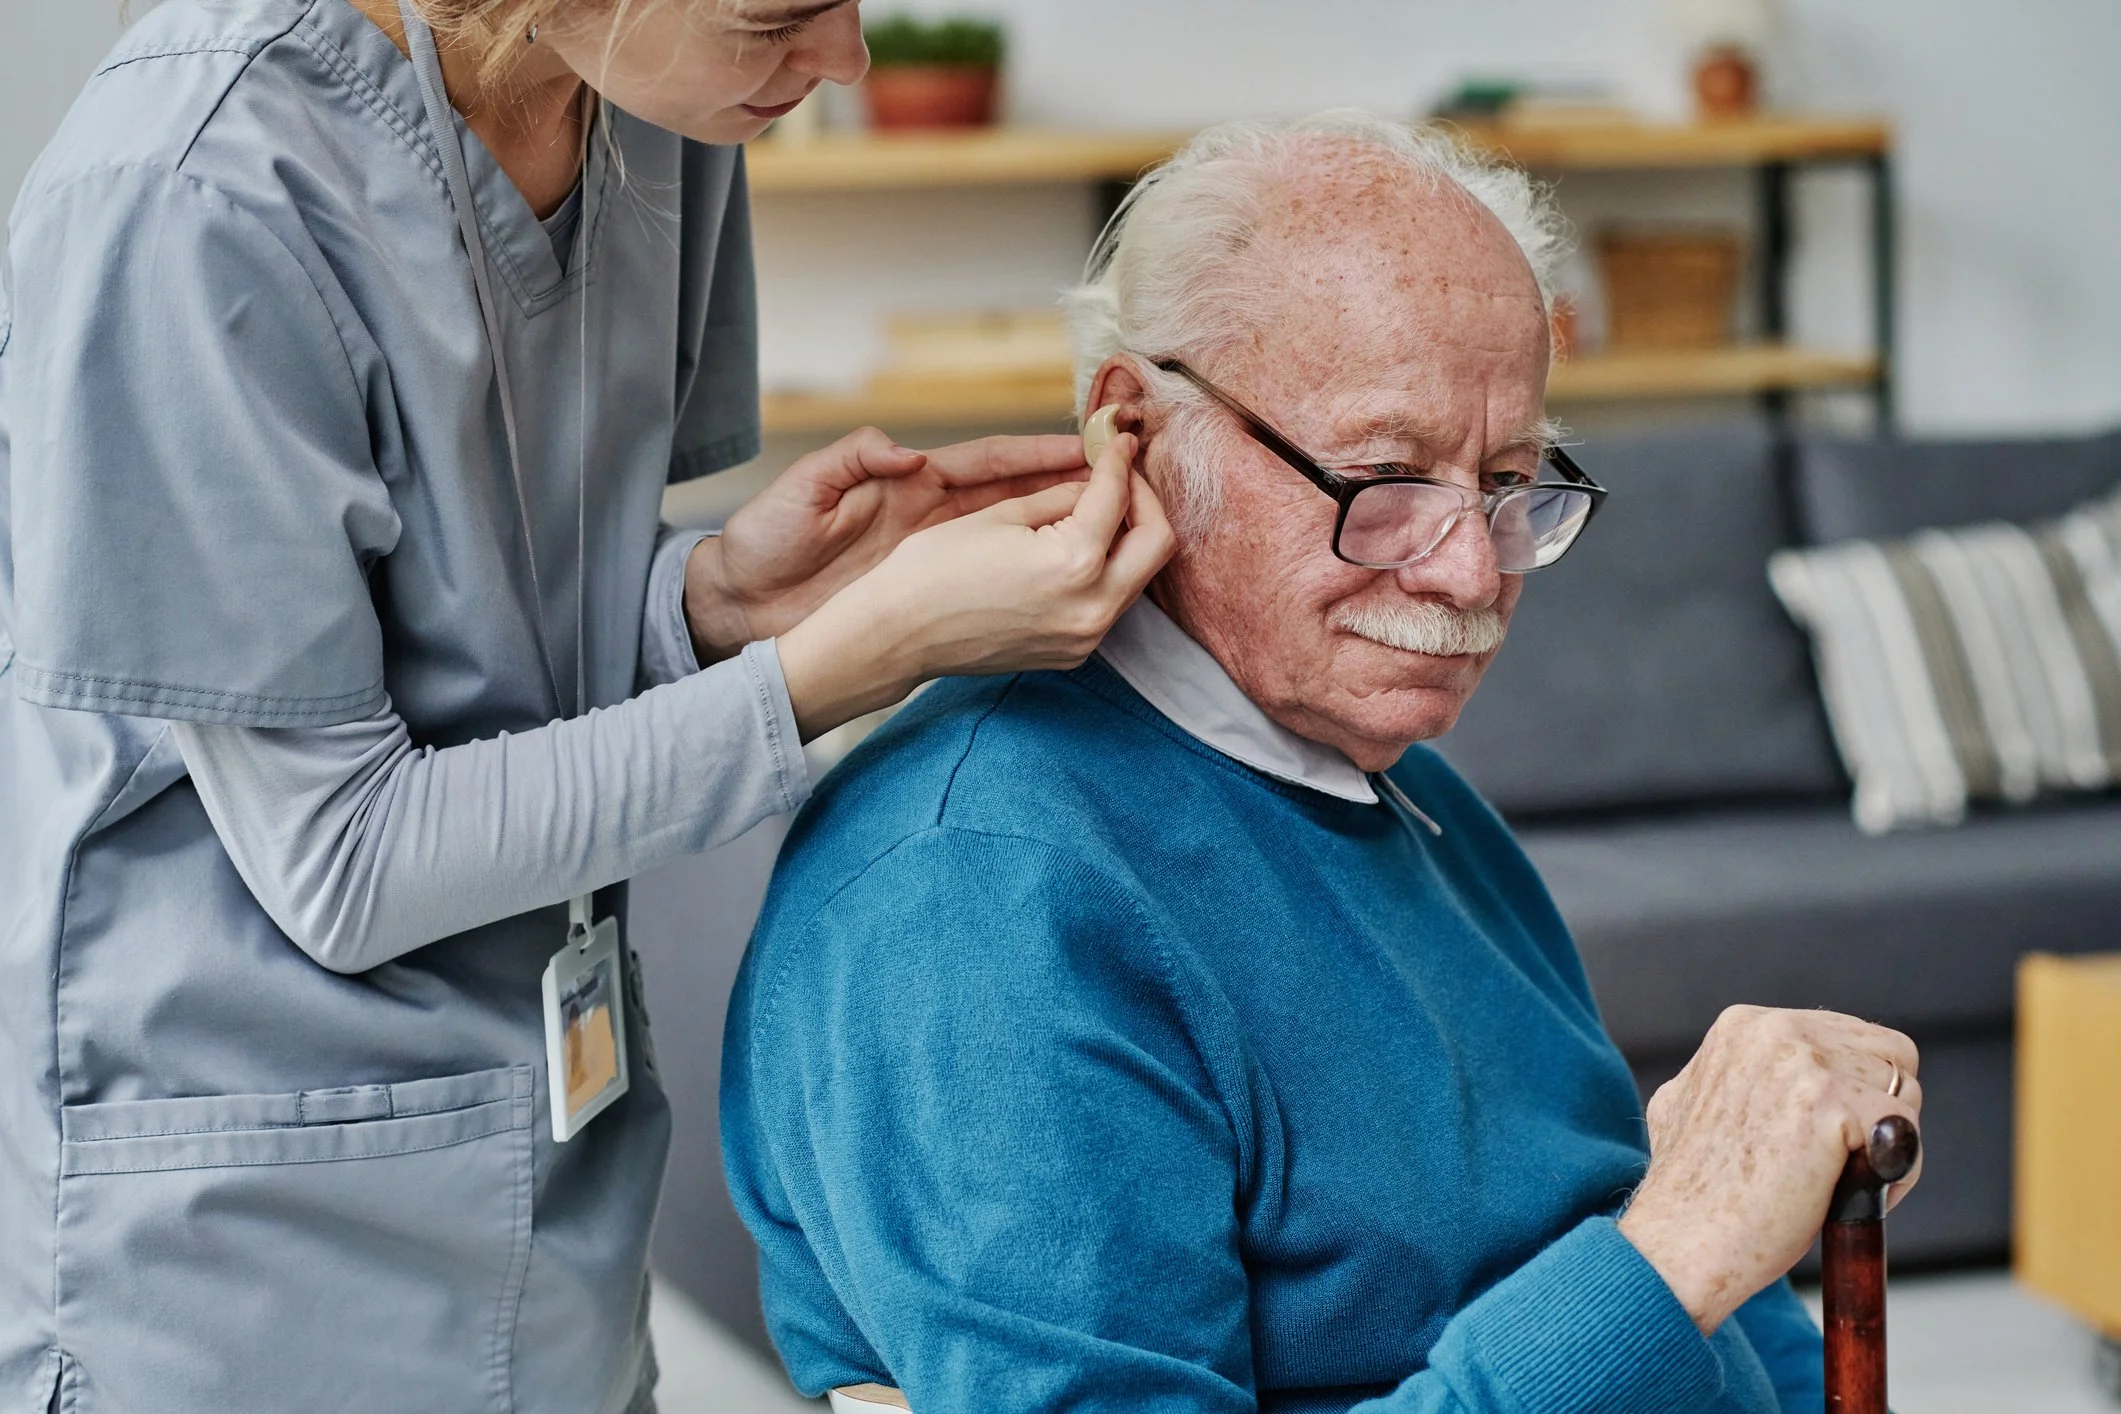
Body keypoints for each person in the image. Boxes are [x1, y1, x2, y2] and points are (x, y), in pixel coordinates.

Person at [0, 0, 1173, 1409]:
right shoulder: (185, 198)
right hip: (240, 1269)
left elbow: (475, 627)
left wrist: (718, 606)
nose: (846, 61)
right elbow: (341, 857)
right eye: (779, 19)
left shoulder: (649, 103)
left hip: (558, 1222)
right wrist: (829, 675)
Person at [722, 114, 1925, 1414]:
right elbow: (1649, 1274)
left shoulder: (1372, 767)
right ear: (1137, 427)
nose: (1470, 573)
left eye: (1510, 481)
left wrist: (1717, 1223)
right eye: (1386, 478)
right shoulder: (973, 893)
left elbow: (1629, 1254)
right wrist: (1673, 1247)